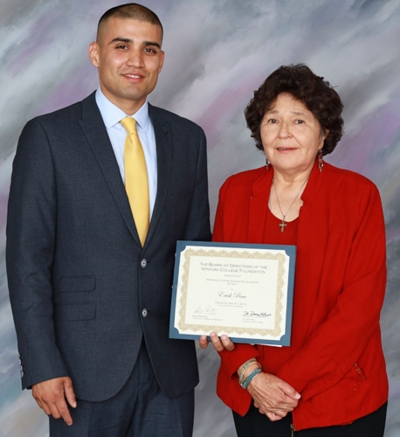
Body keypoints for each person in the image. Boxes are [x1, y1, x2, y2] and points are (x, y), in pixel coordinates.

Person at [6, 3, 210, 436]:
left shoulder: (188, 139)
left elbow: (196, 247)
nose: (136, 61)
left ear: (161, 60)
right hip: (80, 374)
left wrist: (217, 310)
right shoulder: (47, 136)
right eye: (122, 46)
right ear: (96, 54)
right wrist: (42, 364)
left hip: (168, 373)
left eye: (149, 49)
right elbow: (27, 262)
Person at [200, 64, 388, 436]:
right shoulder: (235, 193)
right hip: (251, 394)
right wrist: (252, 376)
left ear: (324, 134)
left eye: (299, 121)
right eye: (272, 120)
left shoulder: (358, 195)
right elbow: (219, 297)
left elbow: (359, 309)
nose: (284, 133)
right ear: (260, 131)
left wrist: (281, 387)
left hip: (339, 398)